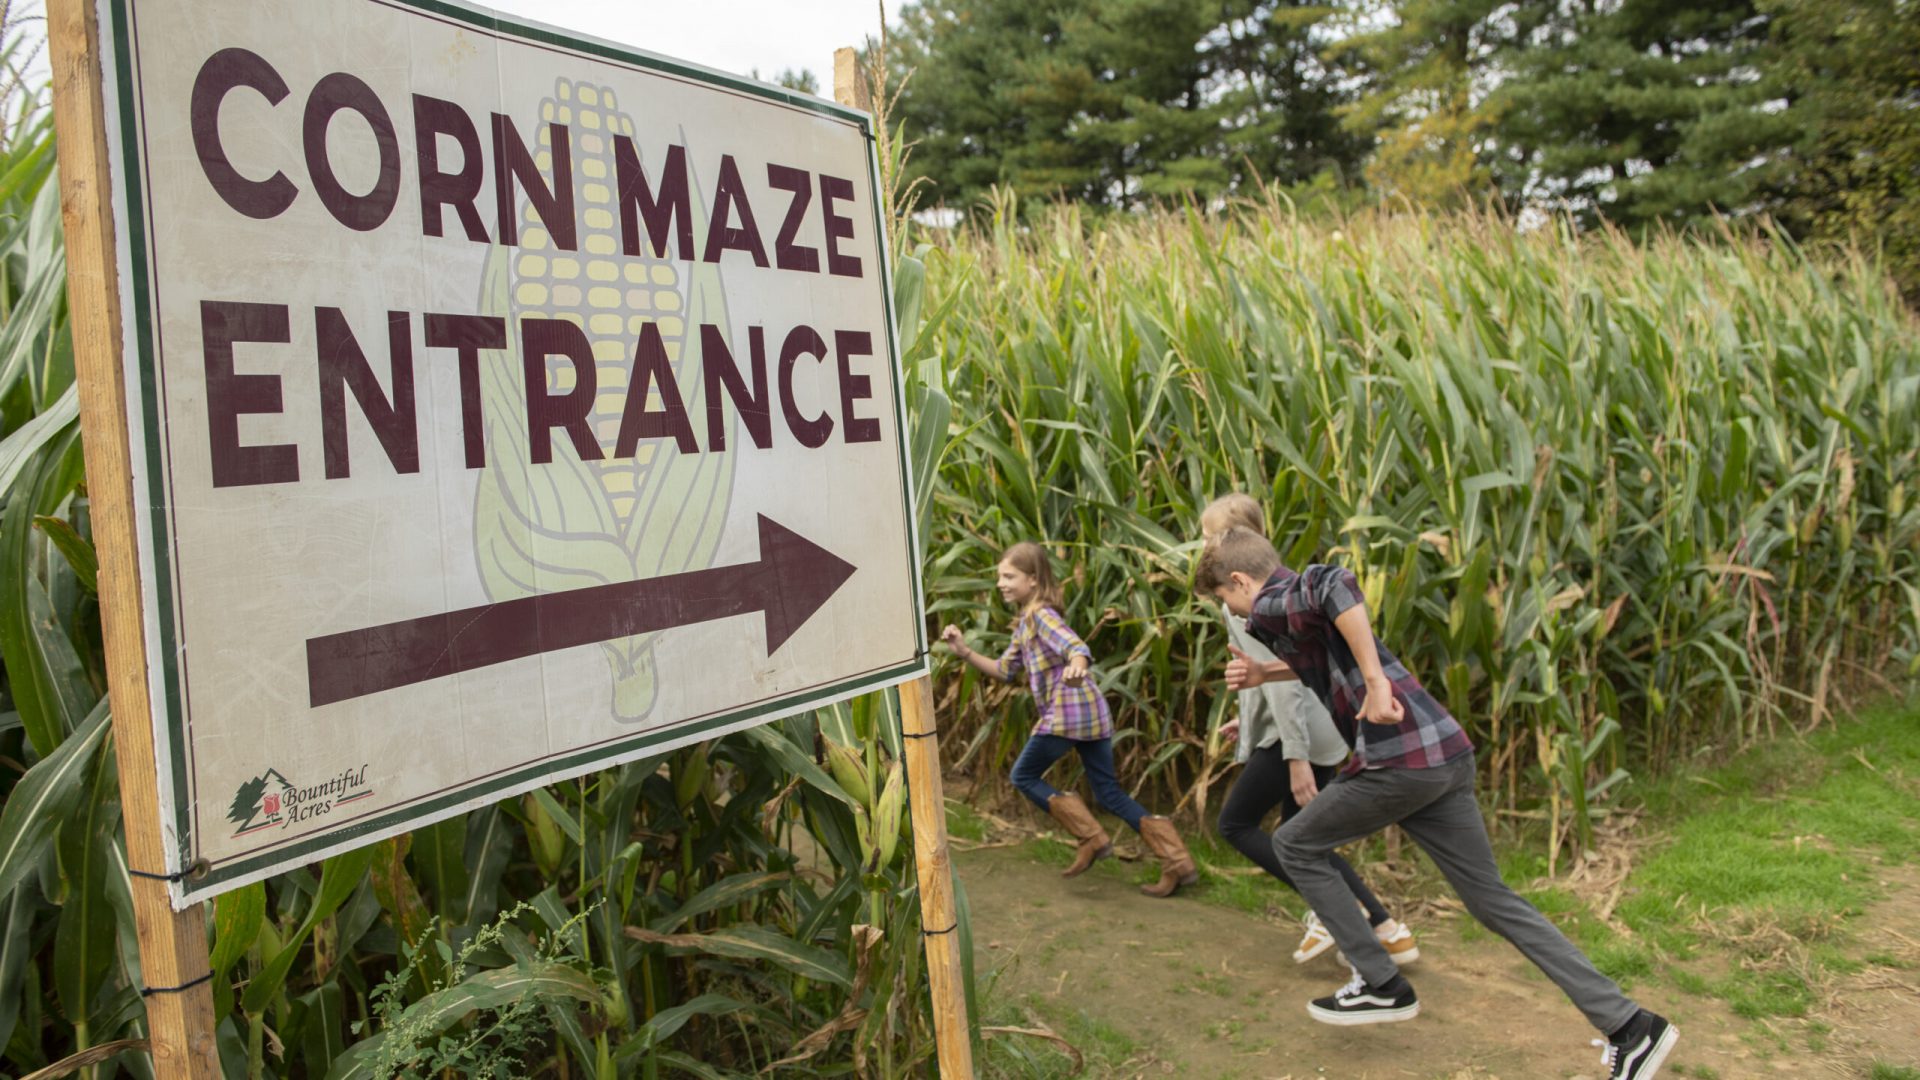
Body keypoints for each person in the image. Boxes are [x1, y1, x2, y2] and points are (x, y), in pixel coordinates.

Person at [1195, 526, 1678, 1080]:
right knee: (1492, 900)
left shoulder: (1275, 597)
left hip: (1398, 763)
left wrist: (1376, 684)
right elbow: (1329, 650)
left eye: (1222, 599)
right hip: (1443, 756)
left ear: (1239, 581)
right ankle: (1631, 1026)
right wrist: (1264, 672)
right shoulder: (1290, 614)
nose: (1226, 609)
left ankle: (1382, 984)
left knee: (1295, 843)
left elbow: (1336, 585)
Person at [1198, 495, 1417, 966]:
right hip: (1317, 725)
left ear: (1232, 542)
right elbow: (1266, 672)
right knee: (1299, 832)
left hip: (1298, 732)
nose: (1202, 545)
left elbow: (1286, 680)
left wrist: (1295, 756)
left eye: (1208, 536)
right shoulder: (1276, 582)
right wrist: (1249, 717)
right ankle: (1388, 931)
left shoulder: (1242, 598)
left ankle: (1337, 910)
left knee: (1237, 823)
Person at [943, 541, 1200, 897]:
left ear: (1033, 580)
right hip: (1091, 714)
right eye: (999, 577)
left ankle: (1091, 838)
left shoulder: (1041, 616)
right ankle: (1177, 860)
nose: (1001, 583)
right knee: (1108, 792)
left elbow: (1076, 647)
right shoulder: (1026, 622)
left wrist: (1077, 667)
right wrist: (965, 651)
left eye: (1009, 576)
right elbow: (1004, 671)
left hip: (1068, 715)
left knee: (1023, 775)